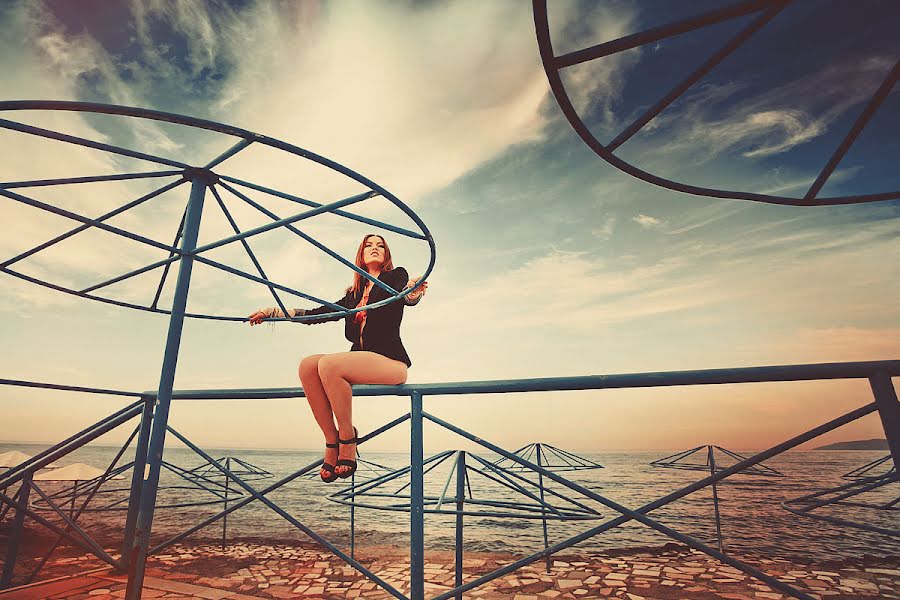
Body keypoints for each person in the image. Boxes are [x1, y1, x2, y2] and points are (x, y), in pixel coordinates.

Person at [248, 234, 427, 482]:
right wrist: (271, 312)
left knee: (329, 364)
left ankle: (348, 439)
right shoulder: (353, 295)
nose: (375, 249)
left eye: (380, 246)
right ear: (360, 255)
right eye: (368, 245)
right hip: (361, 362)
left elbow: (408, 296)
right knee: (308, 365)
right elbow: (314, 314)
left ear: (386, 255)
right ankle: (332, 441)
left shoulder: (395, 276)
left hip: (391, 363)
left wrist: (415, 291)